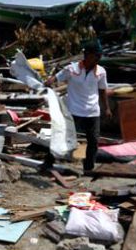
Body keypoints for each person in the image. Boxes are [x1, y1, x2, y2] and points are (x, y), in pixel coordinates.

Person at [44, 39, 112, 172]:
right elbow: (56, 78)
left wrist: (107, 108)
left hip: (92, 112)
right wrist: (47, 82)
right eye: (96, 55)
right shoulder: (71, 69)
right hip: (73, 110)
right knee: (62, 137)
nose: (98, 58)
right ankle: (48, 162)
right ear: (87, 55)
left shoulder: (101, 72)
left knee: (93, 141)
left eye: (99, 55)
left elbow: (102, 90)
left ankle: (88, 169)